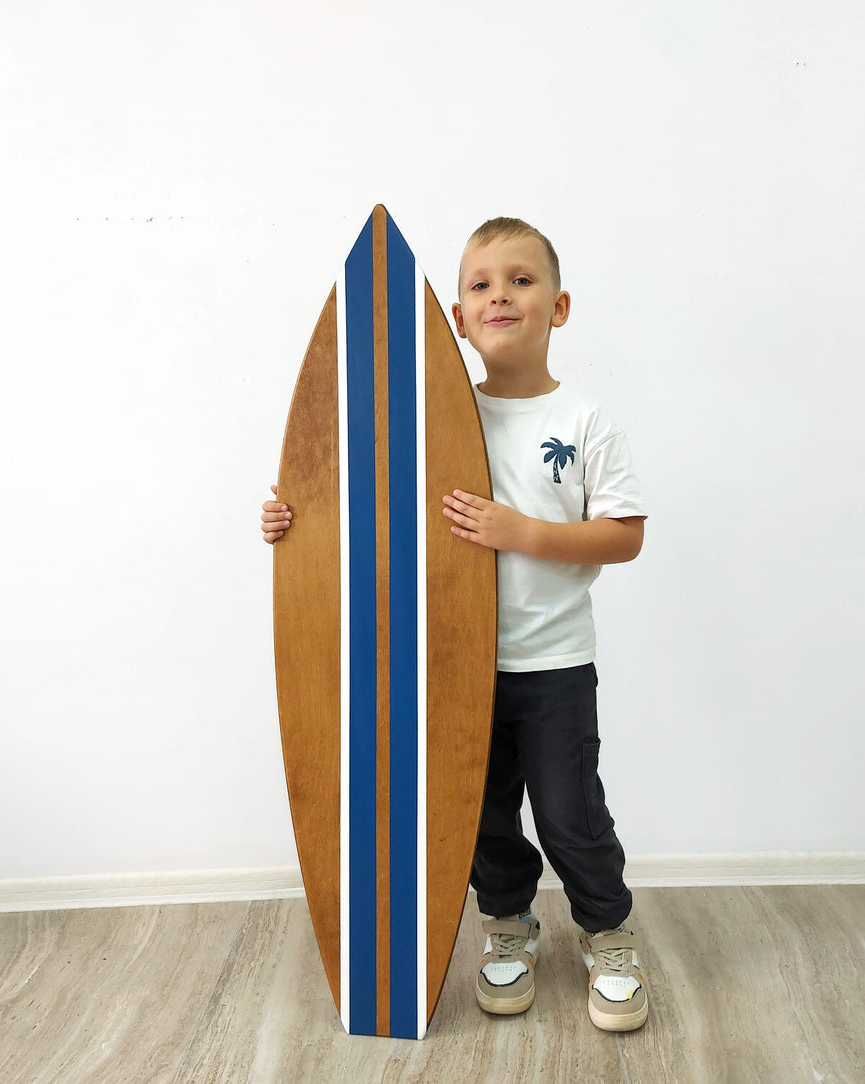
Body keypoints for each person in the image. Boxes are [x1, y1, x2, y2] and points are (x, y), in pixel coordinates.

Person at [261, 217, 649, 1032]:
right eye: (479, 285)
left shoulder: (584, 421)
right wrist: (295, 523)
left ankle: (607, 933)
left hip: (551, 666)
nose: (499, 295)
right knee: (476, 815)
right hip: (445, 665)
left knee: (570, 813)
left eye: (520, 279)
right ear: (457, 320)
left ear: (559, 306)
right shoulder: (432, 419)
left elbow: (624, 536)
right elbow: (368, 511)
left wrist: (523, 532)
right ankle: (507, 926)